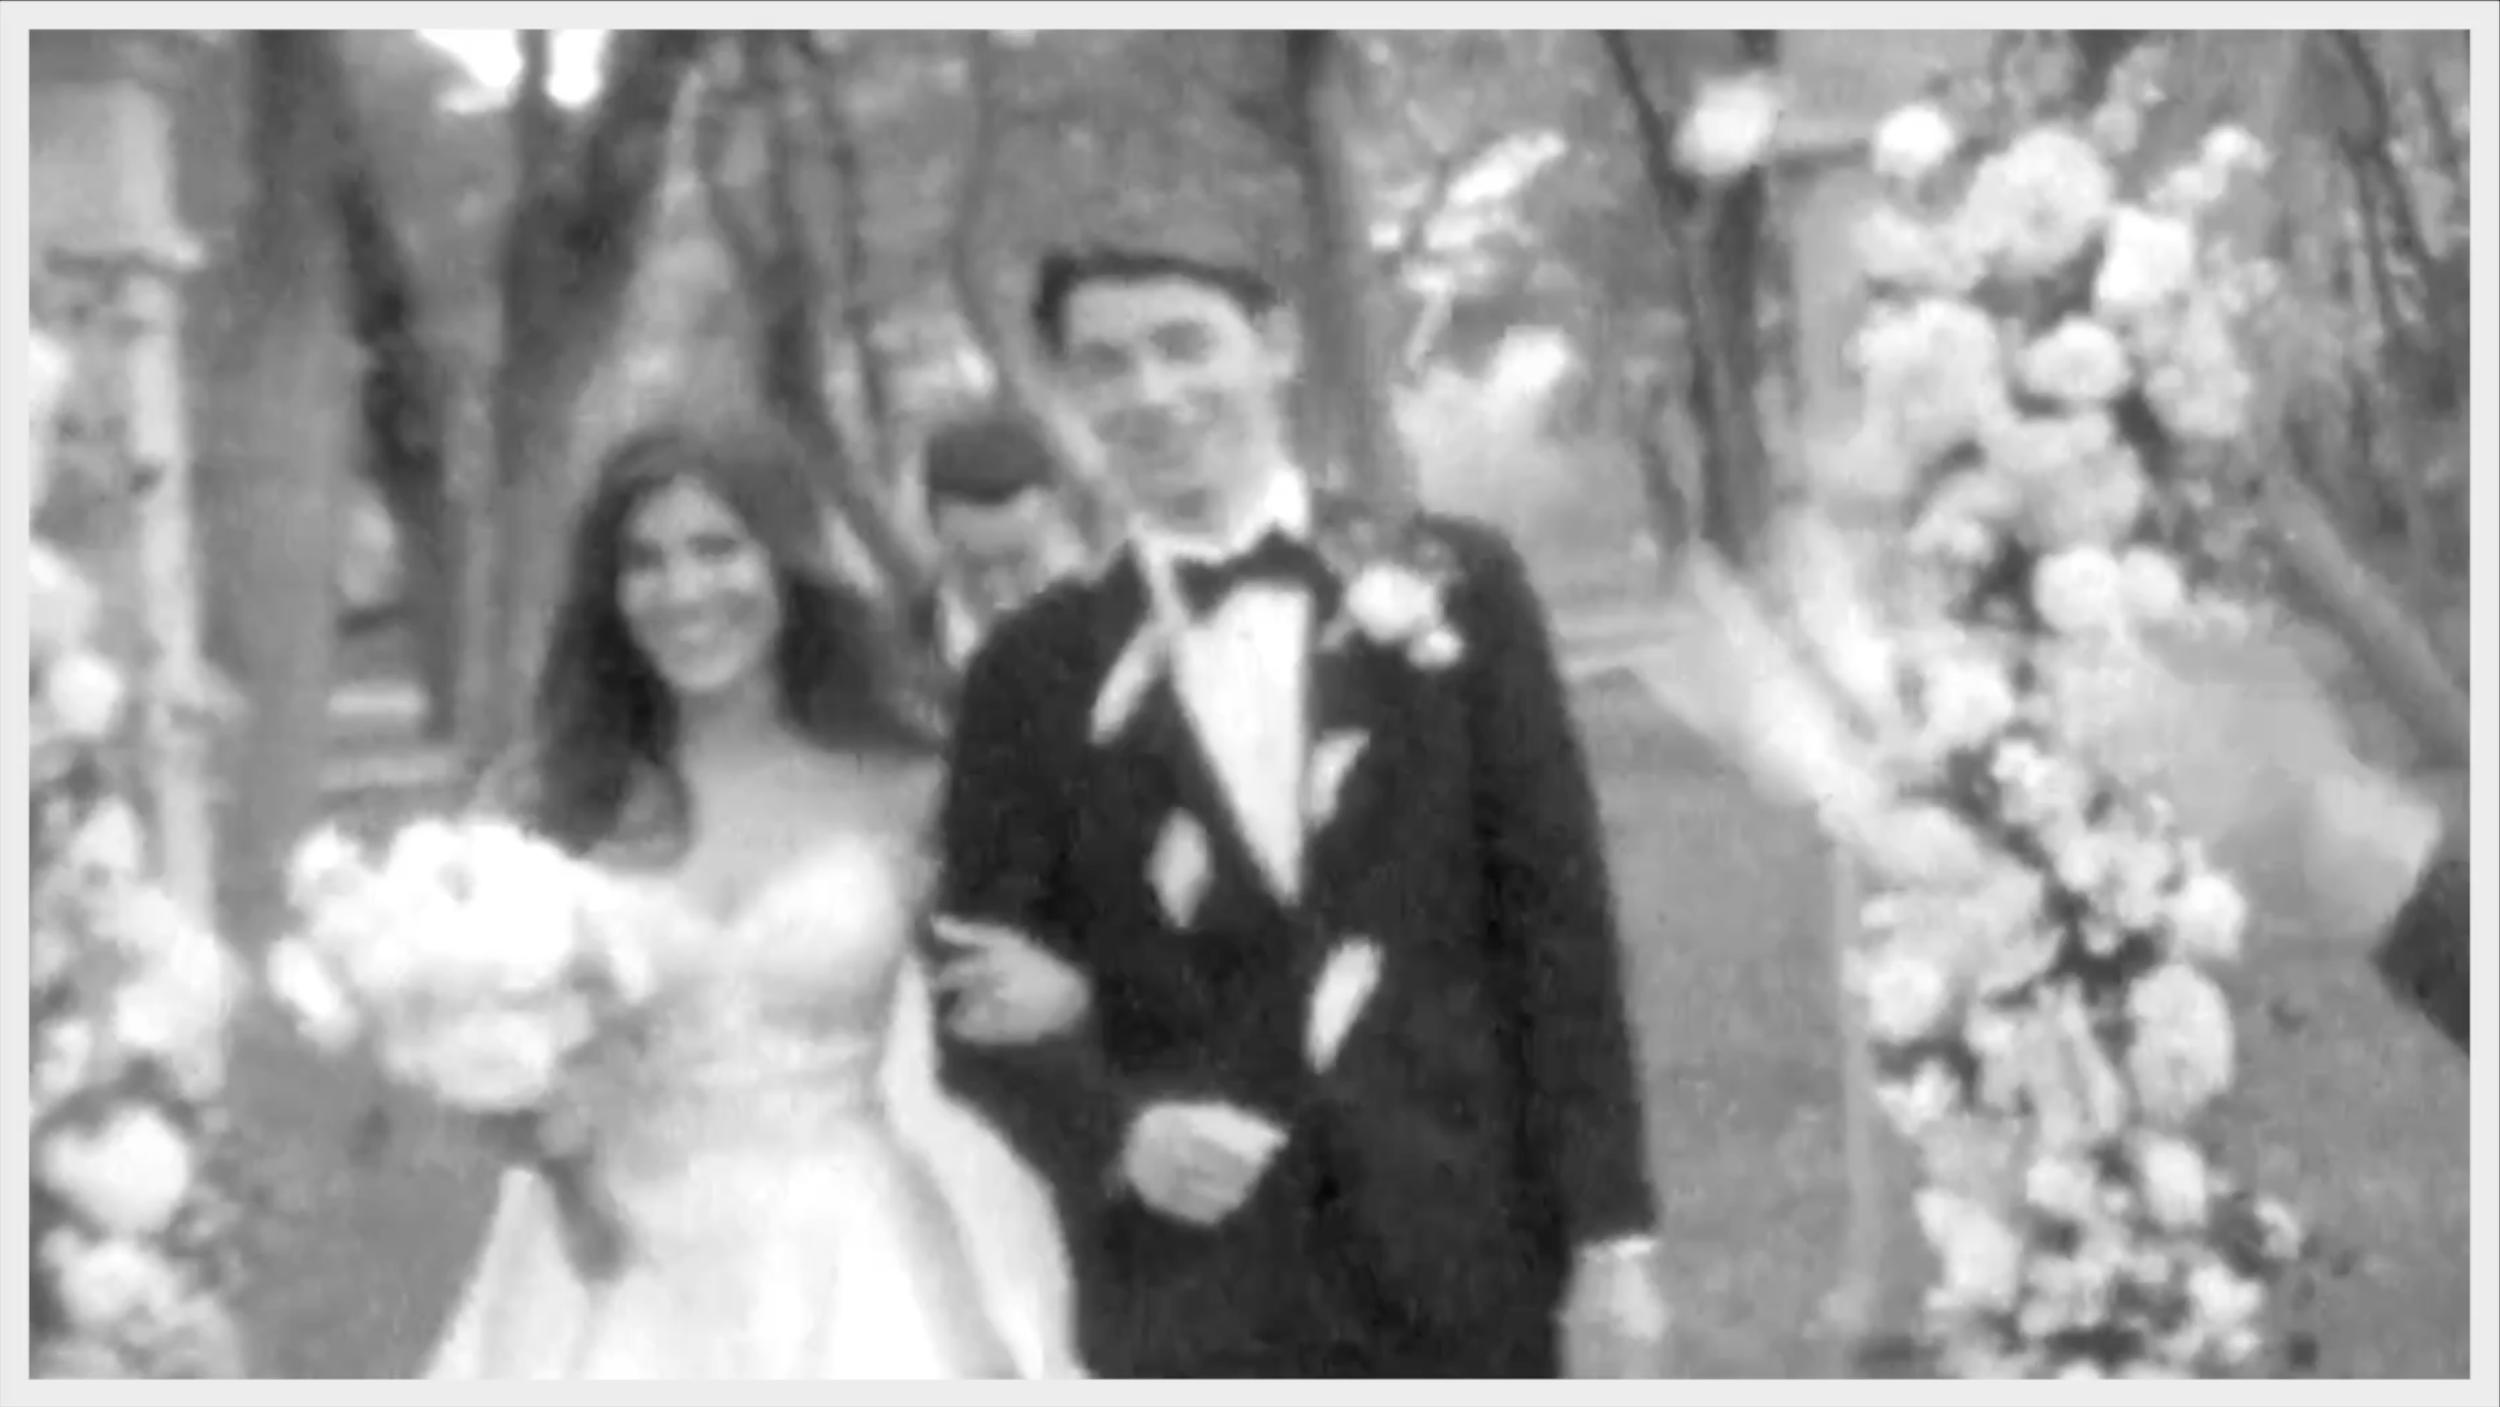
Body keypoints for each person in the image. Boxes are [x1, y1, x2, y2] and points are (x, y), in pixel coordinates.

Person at [925, 244, 1670, 1377]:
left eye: (1185, 345)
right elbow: (970, 999)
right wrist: (1115, 1132)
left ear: (1272, 344)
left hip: (1459, 1245)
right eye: (1106, 364)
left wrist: (1612, 1234)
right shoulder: (1027, 673)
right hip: (1191, 1282)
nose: (1152, 393)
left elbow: (1557, 924)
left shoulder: (1459, 585)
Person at [422, 420, 1077, 1379]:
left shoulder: (906, 773)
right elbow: (474, 1044)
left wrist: (1066, 991)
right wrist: (523, 1120)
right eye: (644, 561)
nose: (684, 590)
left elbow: (1017, 991)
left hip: (853, 1260)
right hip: (606, 1257)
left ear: (788, 561)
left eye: (718, 548)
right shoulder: (545, 800)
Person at [911, 407, 1091, 677]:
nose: (1003, 600)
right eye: (975, 569)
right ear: (932, 528)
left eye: (1018, 564)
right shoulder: (897, 655)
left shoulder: (1126, 645)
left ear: (1059, 520)